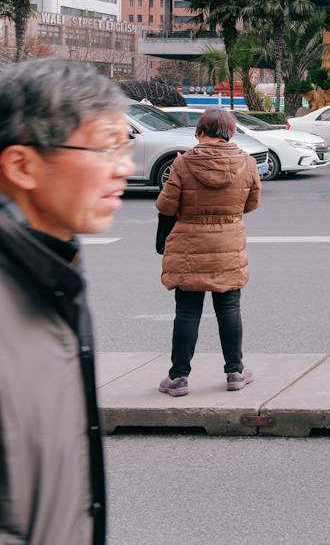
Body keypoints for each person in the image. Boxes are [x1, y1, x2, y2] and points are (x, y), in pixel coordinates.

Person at [0, 59, 133, 544]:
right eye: (105, 147)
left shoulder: (52, 271)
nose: (126, 167)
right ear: (22, 166)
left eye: (126, 145)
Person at [155, 105, 260, 395]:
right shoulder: (246, 163)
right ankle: (235, 373)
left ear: (201, 131)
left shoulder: (183, 163)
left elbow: (165, 205)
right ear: (229, 132)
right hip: (228, 243)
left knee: (187, 311)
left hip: (189, 244)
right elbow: (251, 204)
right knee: (229, 308)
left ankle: (178, 378)